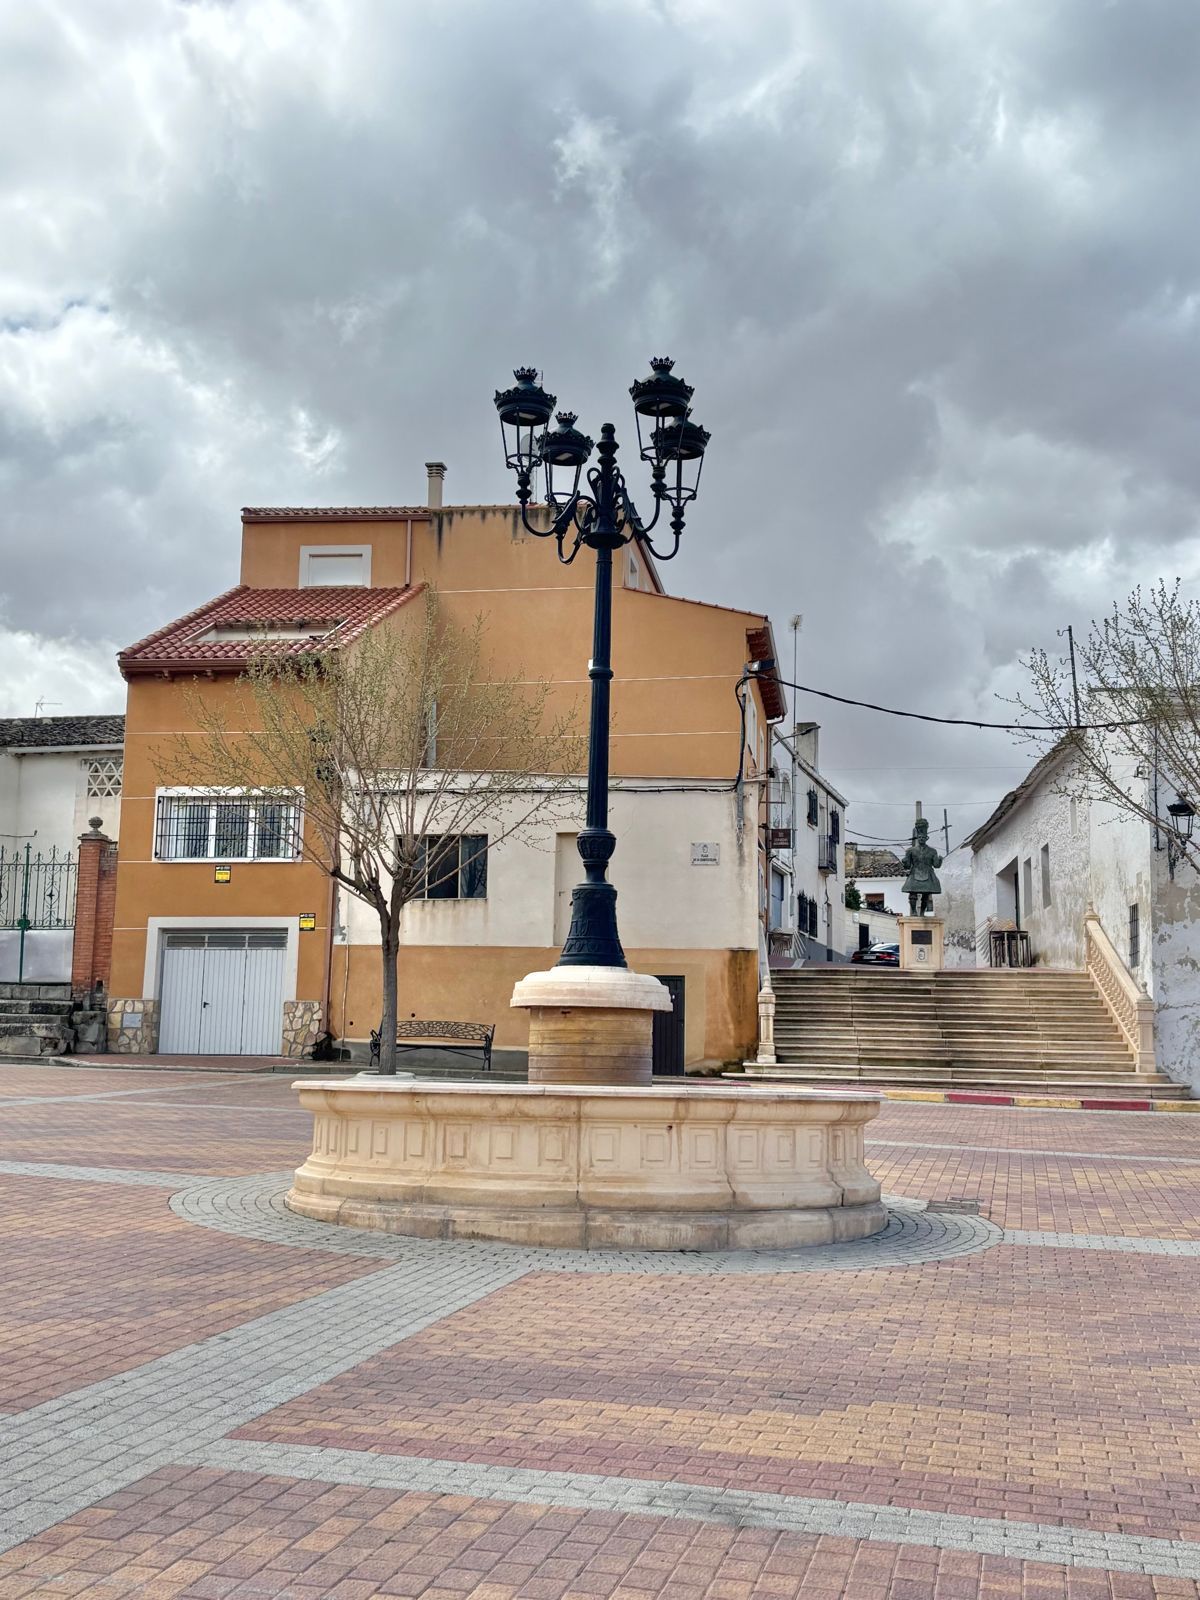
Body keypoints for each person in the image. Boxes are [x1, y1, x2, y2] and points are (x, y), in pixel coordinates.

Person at [901, 817, 942, 916]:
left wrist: (940, 860)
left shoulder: (932, 851)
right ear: (917, 838)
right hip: (915, 873)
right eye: (919, 837)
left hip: (928, 874)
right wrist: (905, 862)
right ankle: (914, 911)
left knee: (926, 894)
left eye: (923, 837)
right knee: (912, 893)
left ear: (926, 838)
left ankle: (922, 913)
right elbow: (907, 866)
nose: (921, 839)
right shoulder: (910, 851)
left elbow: (936, 865)